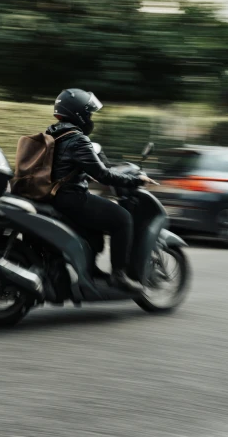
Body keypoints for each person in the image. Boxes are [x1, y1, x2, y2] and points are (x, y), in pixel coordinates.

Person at [47, 88, 152, 294]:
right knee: (122, 218)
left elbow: (65, 167)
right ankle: (119, 275)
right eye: (89, 113)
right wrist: (135, 180)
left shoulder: (54, 132)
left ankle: (91, 270)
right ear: (79, 114)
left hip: (55, 197)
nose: (90, 118)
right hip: (71, 198)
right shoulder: (77, 139)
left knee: (94, 231)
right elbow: (103, 175)